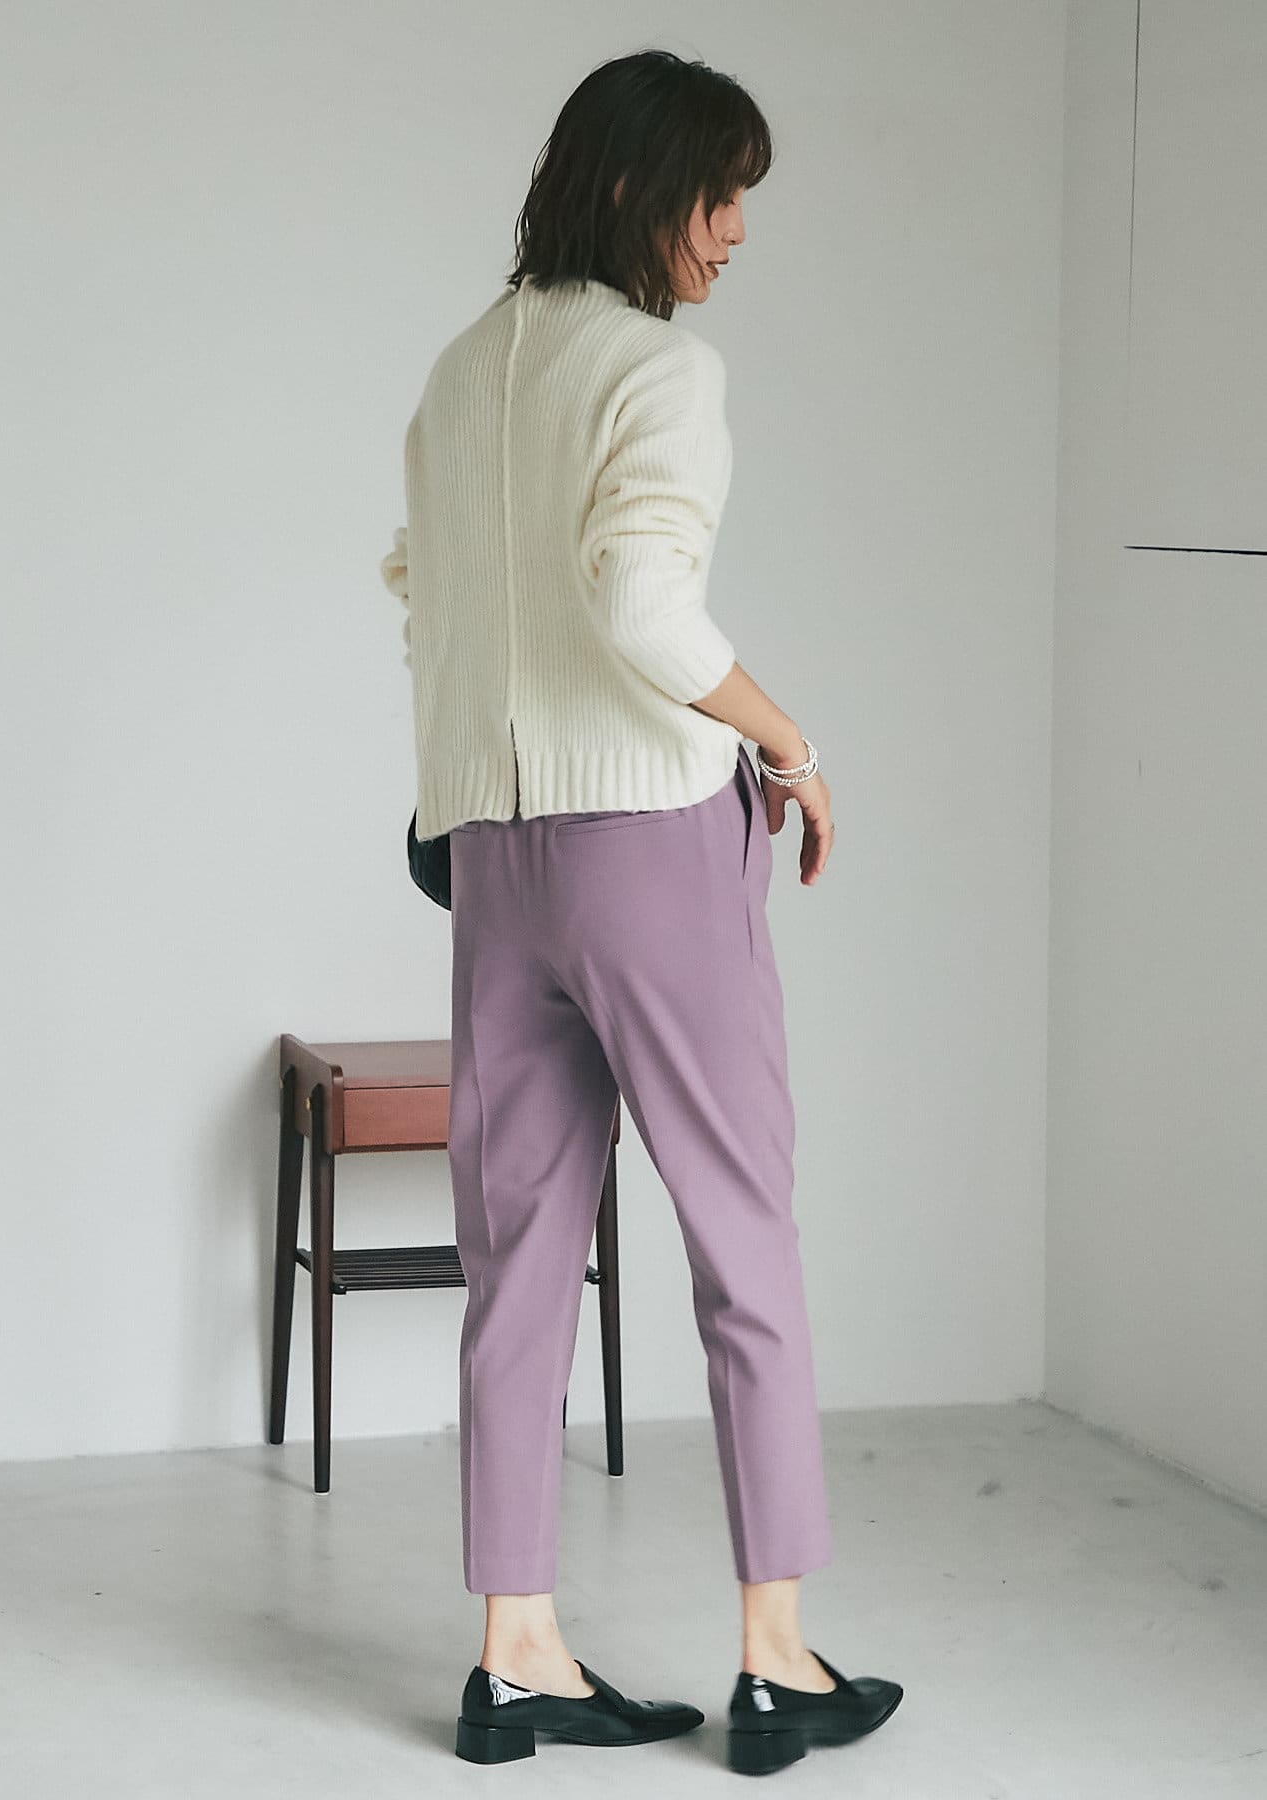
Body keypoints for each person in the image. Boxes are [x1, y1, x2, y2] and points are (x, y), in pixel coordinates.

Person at [380, 48, 902, 1775]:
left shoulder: (463, 372)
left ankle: (516, 1651)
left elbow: (426, 597)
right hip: (650, 847)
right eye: (718, 193)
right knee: (744, 1236)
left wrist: (458, 778)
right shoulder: (660, 371)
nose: (735, 230)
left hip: (493, 858)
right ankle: (776, 1656)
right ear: (632, 187)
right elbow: (637, 599)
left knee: (518, 1256)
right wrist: (790, 741)